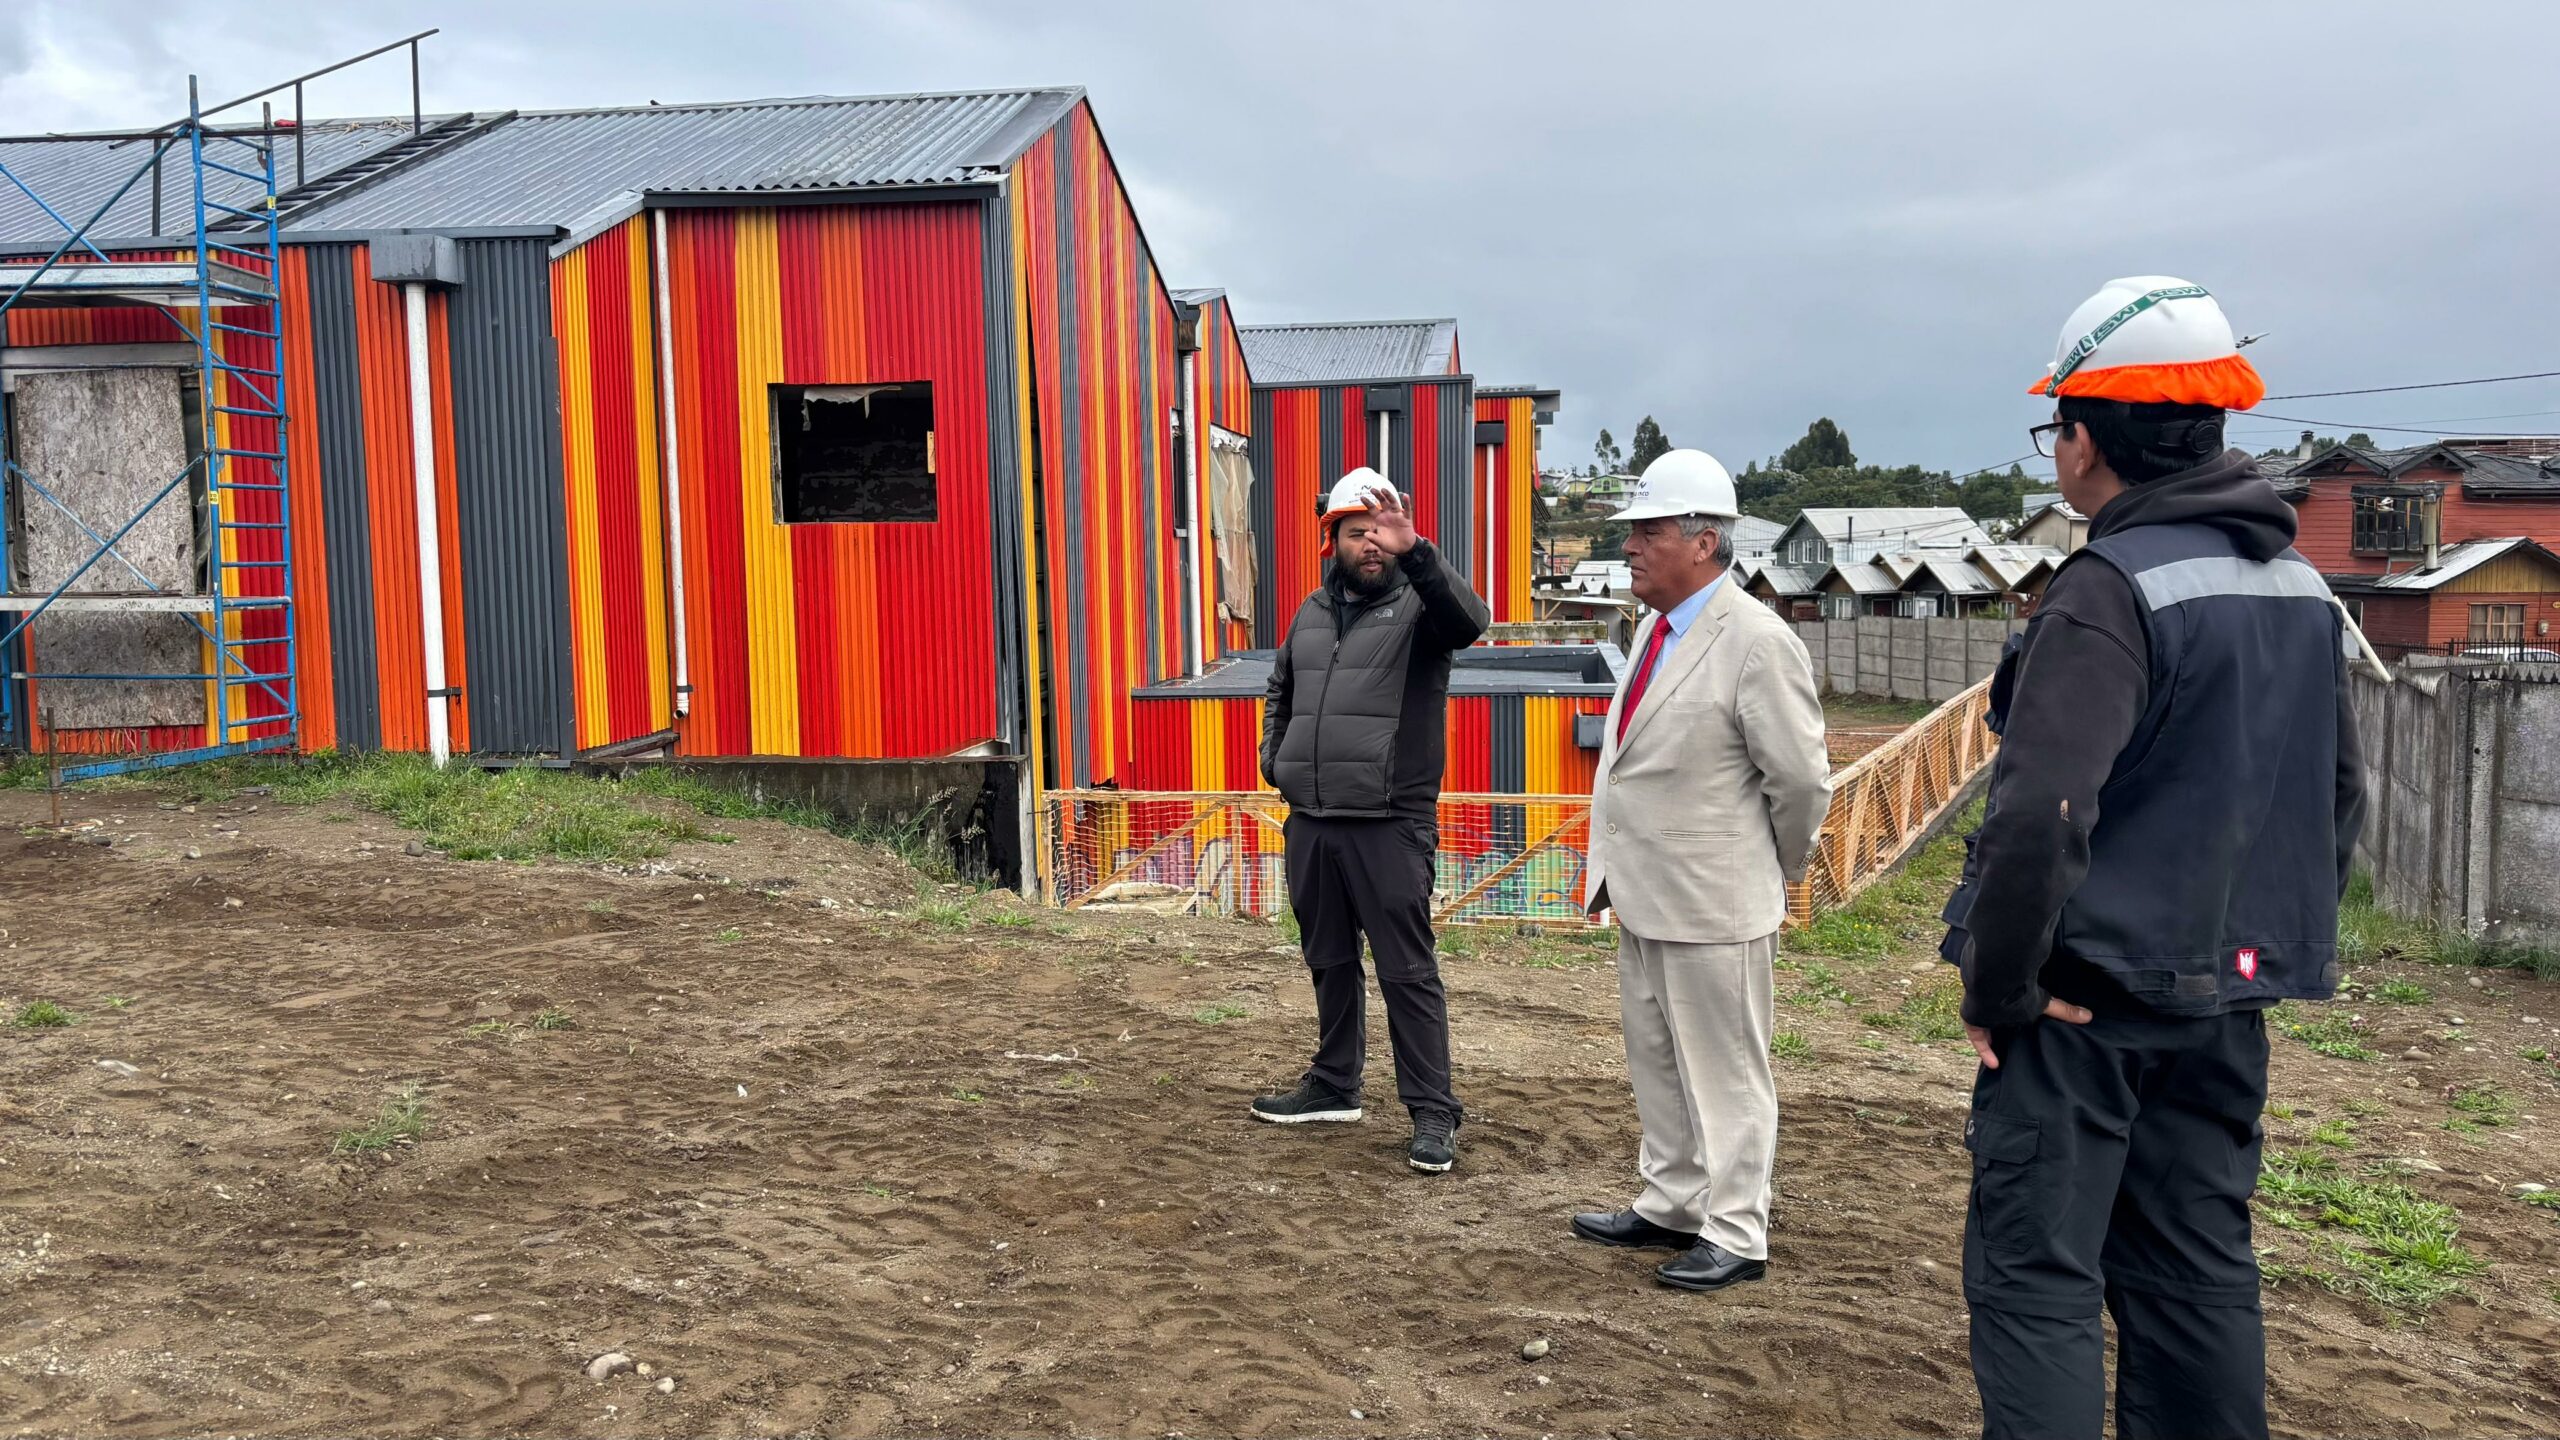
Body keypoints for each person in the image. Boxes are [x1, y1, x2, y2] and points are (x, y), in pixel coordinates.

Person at [1943, 277, 2367, 1440]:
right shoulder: (2297, 585)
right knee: (2193, 1274)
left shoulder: (2108, 588)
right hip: (2222, 1004)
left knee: (2037, 1278)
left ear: (2083, 439)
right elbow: (2336, 796)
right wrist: (2248, 952)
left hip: (2086, 1011)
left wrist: (2000, 984)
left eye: (2056, 427)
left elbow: (2041, 817)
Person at [1571, 448, 1831, 1291]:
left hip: (1715, 899)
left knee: (1726, 1072)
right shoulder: (1655, 629)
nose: (1631, 547)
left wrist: (1767, 868)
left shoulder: (1756, 642)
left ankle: (1736, 1230)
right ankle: (1673, 1202)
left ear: (1704, 541)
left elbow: (1800, 783)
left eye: (1648, 531)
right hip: (1645, 891)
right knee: (1658, 1060)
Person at [1253, 467, 1491, 1174]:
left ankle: (1433, 1111)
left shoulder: (1423, 610)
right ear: (1333, 540)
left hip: (1390, 822)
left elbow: (1471, 621)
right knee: (1328, 959)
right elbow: (1281, 689)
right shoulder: (1310, 612)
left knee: (1406, 971)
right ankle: (1334, 1084)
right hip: (1313, 819)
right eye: (1357, 532)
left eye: (1383, 533)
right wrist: (1276, 762)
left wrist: (1420, 552)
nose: (1372, 544)